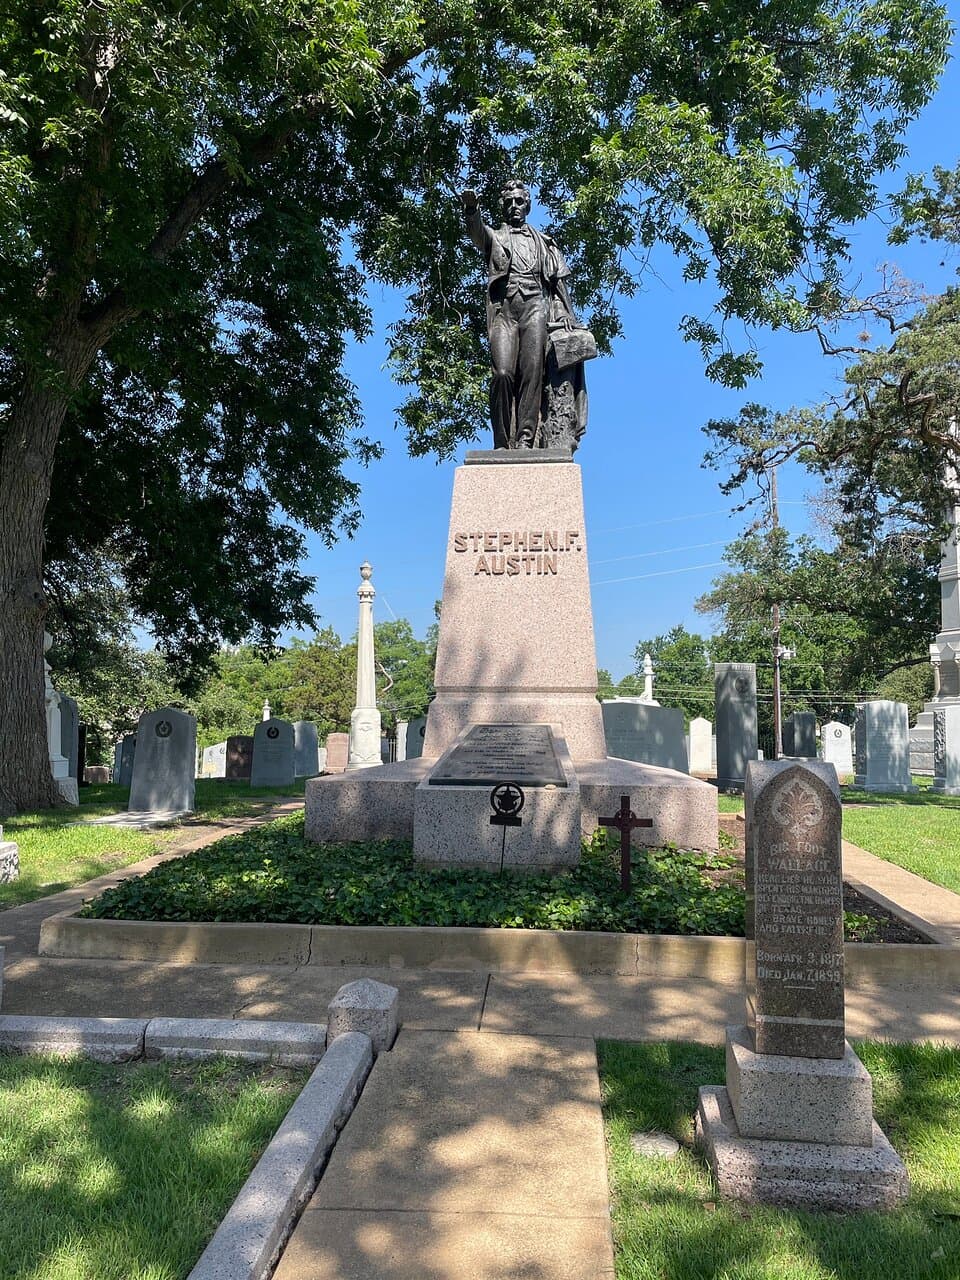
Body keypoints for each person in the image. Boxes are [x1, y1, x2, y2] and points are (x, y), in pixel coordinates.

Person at [461, 180, 590, 451]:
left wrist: (563, 314)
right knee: (502, 374)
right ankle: (501, 441)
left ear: (528, 205)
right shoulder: (496, 237)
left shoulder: (545, 243)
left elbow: (557, 285)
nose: (514, 206)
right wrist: (472, 211)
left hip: (535, 309)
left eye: (519, 201)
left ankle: (525, 439)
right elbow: (477, 234)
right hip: (506, 312)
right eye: (509, 202)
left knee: (533, 373)